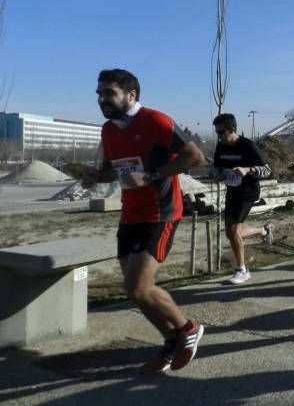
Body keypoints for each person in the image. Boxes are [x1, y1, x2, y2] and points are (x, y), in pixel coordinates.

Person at [81, 69, 205, 374]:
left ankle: (188, 329)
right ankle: (171, 342)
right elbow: (113, 169)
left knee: (138, 287)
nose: (102, 99)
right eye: (99, 94)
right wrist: (97, 176)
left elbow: (194, 156)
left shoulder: (156, 121)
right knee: (133, 289)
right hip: (130, 212)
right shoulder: (109, 130)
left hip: (161, 212)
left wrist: (151, 175)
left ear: (131, 95)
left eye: (109, 93)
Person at [211, 113, 273, 285]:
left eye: (221, 133)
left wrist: (248, 170)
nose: (218, 136)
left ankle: (242, 270)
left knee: (232, 230)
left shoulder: (247, 145)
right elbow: (216, 166)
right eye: (216, 132)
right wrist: (216, 175)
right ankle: (263, 231)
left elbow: (267, 170)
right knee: (231, 233)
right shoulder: (220, 146)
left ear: (231, 130)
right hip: (232, 190)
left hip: (248, 191)